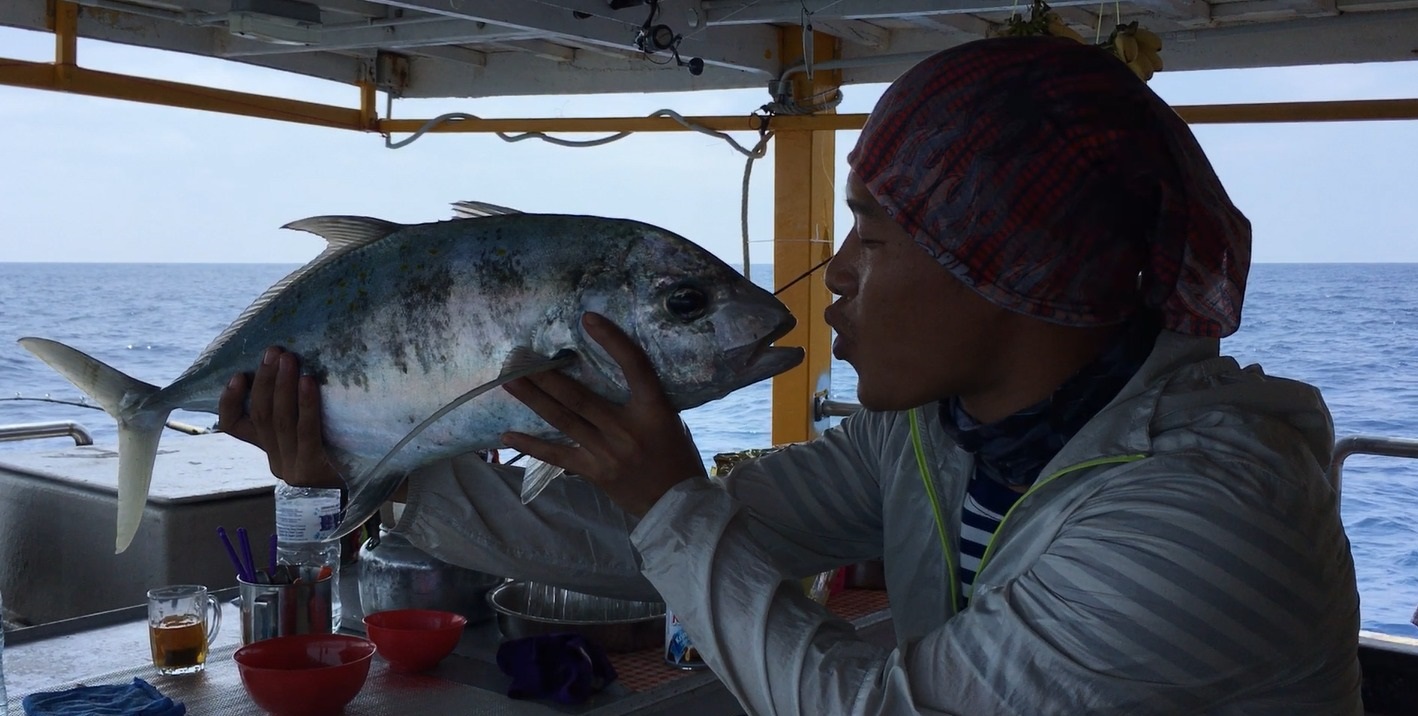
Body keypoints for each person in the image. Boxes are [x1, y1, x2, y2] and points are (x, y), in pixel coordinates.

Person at [218, 36, 1362, 715]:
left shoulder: (1200, 514)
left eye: (875, 232)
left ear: (1006, 262)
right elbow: (643, 541)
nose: (831, 274)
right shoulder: (938, 436)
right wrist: (382, 468)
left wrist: (664, 495)